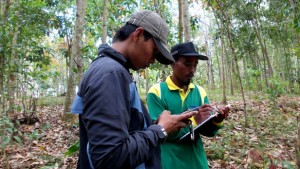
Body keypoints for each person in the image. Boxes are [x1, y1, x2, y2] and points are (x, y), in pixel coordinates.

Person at [70, 11, 197, 169]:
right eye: (154, 51)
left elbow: (126, 131)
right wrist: (160, 131)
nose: (153, 60)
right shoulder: (110, 75)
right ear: (138, 34)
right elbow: (109, 158)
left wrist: (161, 124)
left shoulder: (114, 71)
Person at [147, 42, 230, 169]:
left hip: (196, 160)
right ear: (173, 63)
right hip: (169, 160)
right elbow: (159, 132)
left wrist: (216, 121)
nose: (192, 70)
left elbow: (208, 132)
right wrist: (194, 122)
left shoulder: (200, 92)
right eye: (187, 64)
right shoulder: (157, 92)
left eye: (195, 65)